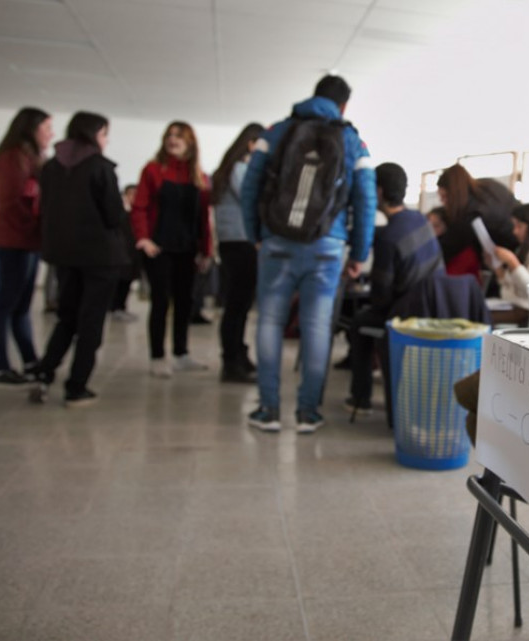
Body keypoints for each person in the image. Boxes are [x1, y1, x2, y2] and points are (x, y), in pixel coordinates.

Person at [241, 74, 376, 433]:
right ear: (344, 105)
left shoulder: (276, 131)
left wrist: (255, 234)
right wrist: (359, 253)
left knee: (269, 322)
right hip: (327, 246)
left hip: (276, 242)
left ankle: (268, 410)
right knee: (317, 327)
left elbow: (250, 185)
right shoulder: (352, 140)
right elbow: (365, 200)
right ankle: (307, 413)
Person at [29, 112, 129, 407]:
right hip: (100, 256)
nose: (106, 140)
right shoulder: (100, 167)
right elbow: (113, 214)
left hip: (64, 254)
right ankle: (76, 386)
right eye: (105, 133)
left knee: (67, 317)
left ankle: (45, 372)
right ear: (95, 133)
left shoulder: (50, 167)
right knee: (91, 322)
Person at [346, 162, 444, 415]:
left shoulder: (389, 238)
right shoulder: (419, 219)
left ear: (378, 191)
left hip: (406, 314)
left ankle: (360, 398)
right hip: (436, 305)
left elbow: (381, 296)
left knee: (358, 322)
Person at [131, 121, 213, 378]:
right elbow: (140, 206)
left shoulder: (199, 177)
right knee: (159, 302)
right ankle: (157, 356)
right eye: (169, 135)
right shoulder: (153, 171)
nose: (173, 140)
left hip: (187, 249)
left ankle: (181, 353)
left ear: (190, 142)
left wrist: (206, 250)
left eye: (179, 136)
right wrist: (143, 239)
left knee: (185, 302)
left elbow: (203, 218)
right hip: (159, 248)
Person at [0, 107, 54, 388]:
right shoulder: (13, 157)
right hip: (10, 241)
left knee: (21, 306)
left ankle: (30, 361)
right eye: (47, 128)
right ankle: (1, 367)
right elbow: (11, 202)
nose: (51, 133)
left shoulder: (32, 158)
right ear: (31, 128)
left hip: (26, 242)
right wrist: (37, 227)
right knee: (3, 305)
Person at [212, 122, 265, 383]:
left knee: (238, 304)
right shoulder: (241, 168)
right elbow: (251, 199)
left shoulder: (230, 168)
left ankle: (237, 357)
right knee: (238, 304)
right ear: (251, 143)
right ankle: (232, 362)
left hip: (233, 242)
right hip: (240, 242)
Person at [435, 163, 518, 281]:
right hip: (521, 250)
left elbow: (446, 249)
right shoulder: (489, 185)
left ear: (453, 193)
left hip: (508, 261)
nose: (443, 202)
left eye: (444, 196)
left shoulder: (472, 214)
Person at [490, 203, 529, 324]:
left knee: (481, 316)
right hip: (519, 305)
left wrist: (512, 261)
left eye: (519, 226)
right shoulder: (528, 246)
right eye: (514, 226)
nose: (514, 231)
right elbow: (513, 284)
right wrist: (498, 269)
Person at [109, 184, 140, 322]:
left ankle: (121, 307)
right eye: (131, 194)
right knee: (120, 281)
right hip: (121, 253)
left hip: (133, 253)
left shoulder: (138, 213)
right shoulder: (119, 212)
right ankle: (115, 307)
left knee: (127, 281)